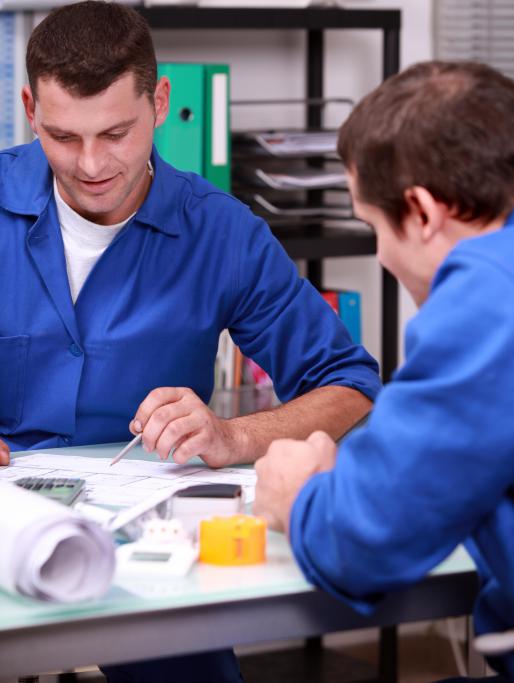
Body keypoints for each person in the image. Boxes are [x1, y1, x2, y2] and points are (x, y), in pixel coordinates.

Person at [0, 1, 380, 681]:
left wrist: (233, 437)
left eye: (116, 132)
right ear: (30, 107)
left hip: (146, 540)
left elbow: (350, 386)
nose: (89, 164)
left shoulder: (223, 233)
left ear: (160, 100)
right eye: (62, 136)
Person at [254, 59, 514, 682]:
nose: (379, 254)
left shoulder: (489, 297)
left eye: (374, 226)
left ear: (423, 213)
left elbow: (363, 540)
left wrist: (298, 498)